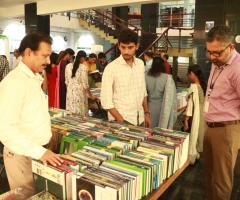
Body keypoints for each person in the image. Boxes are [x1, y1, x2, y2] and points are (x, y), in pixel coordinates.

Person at [0, 32, 63, 198]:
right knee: (27, 196)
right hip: (23, 155)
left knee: (40, 194)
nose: (48, 61)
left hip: (36, 152)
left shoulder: (33, 77)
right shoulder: (14, 83)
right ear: (28, 53)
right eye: (45, 56)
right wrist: (39, 152)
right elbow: (5, 130)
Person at [204, 25, 240, 200]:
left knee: (221, 182)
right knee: (210, 176)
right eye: (209, 52)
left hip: (226, 129)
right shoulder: (218, 62)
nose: (212, 57)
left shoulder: (238, 68)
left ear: (231, 47)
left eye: (217, 53)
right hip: (210, 126)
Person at [101, 29, 151, 127]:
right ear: (119, 45)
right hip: (121, 120)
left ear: (137, 46)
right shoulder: (111, 68)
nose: (126, 51)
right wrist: (121, 120)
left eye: (130, 47)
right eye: (123, 47)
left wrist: (146, 113)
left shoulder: (140, 64)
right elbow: (106, 101)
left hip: (139, 118)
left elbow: (143, 91)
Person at [184, 64, 207, 164]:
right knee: (199, 134)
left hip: (195, 115)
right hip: (204, 114)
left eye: (188, 74)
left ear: (193, 74)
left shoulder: (193, 87)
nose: (188, 76)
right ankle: (197, 154)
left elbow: (190, 105)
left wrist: (186, 120)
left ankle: (191, 158)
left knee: (193, 134)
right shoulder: (203, 86)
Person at [145, 56, 177, 129]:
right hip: (162, 108)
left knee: (149, 129)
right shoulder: (167, 78)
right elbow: (172, 97)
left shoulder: (146, 76)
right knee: (161, 128)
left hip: (148, 107)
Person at [65, 50, 97, 116]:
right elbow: (85, 85)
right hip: (79, 93)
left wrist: (70, 89)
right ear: (83, 58)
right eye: (85, 59)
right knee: (80, 114)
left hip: (70, 91)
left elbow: (66, 82)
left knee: (71, 113)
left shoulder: (68, 66)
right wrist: (91, 96)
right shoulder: (83, 67)